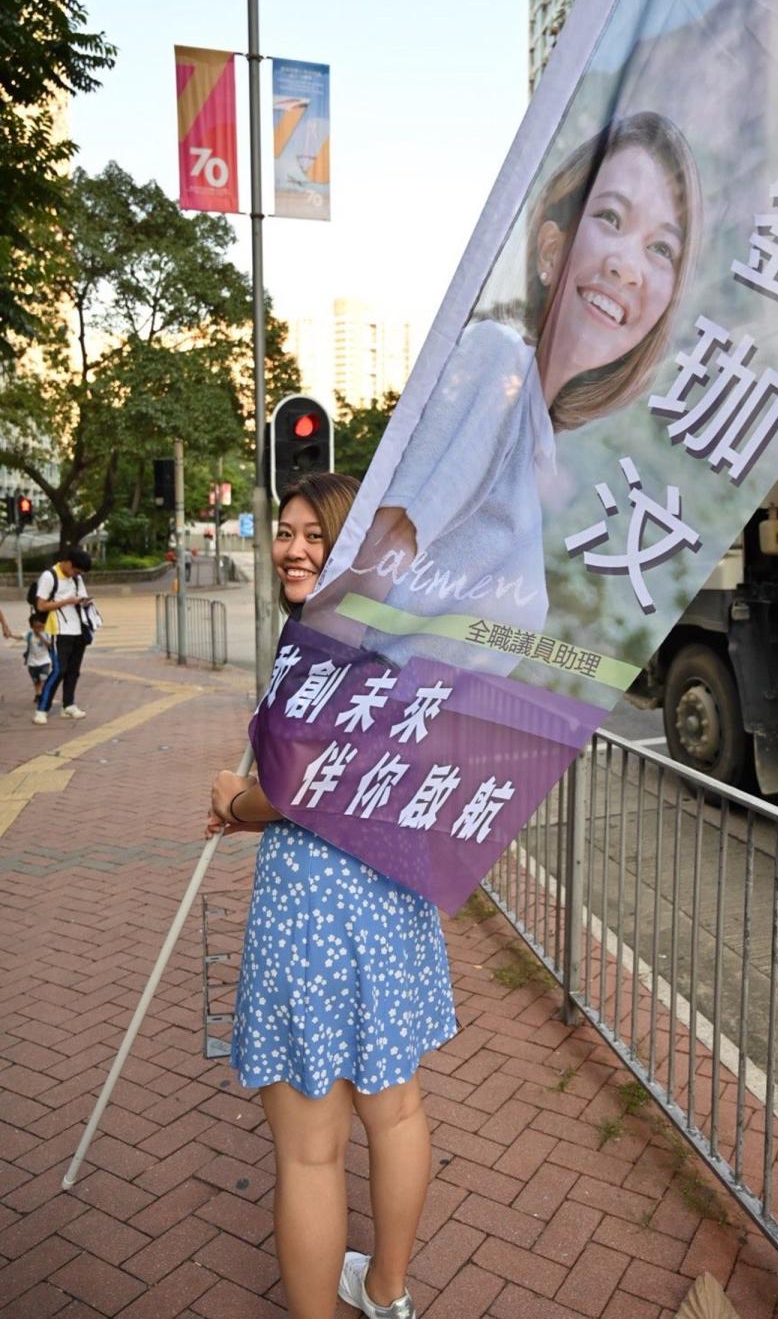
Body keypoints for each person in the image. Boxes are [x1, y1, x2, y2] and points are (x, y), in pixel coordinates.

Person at [311, 111, 702, 659]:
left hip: (419, 737)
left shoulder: (538, 440)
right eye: (611, 217)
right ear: (550, 249)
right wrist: (308, 716)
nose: (627, 266)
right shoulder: (498, 364)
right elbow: (374, 567)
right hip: (367, 726)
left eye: (662, 248)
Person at [206, 470, 456, 1319]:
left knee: (312, 1155)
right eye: (286, 531)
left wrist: (236, 806)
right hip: (389, 893)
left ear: (348, 547)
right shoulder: (405, 646)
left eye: (316, 535)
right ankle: (387, 1294)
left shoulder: (316, 646)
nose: (294, 548)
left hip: (311, 907)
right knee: (396, 1112)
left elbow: (290, 791)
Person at [32, 547, 94, 725]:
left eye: (80, 572)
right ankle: (42, 709)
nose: (77, 574)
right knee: (59, 670)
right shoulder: (49, 576)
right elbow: (41, 606)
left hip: (78, 629)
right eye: (76, 570)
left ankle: (69, 705)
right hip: (58, 630)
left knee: (73, 671)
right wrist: (66, 601)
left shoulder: (76, 577)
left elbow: (81, 597)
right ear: (67, 563)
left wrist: (84, 601)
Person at [23, 612, 53, 704]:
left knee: (44, 678)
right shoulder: (29, 634)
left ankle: (44, 695)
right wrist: (9, 634)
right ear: (32, 627)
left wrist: (40, 636)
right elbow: (19, 636)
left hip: (45, 661)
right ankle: (38, 694)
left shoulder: (47, 634)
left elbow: (49, 645)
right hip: (32, 663)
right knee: (36, 681)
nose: (39, 629)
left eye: (40, 626)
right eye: (36, 627)